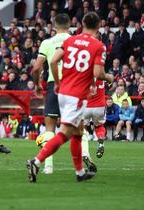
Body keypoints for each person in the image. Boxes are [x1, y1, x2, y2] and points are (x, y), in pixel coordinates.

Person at [26, 12, 114, 183]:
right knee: (65, 133)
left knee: (79, 131)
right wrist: (109, 78)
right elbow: (98, 73)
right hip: (77, 95)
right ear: (98, 26)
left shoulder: (70, 41)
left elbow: (53, 61)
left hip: (63, 90)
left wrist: (57, 82)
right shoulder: (98, 46)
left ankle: (80, 172)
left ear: (82, 23)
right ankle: (36, 162)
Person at [31, 13, 72, 174]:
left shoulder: (47, 42)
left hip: (53, 85)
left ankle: (48, 166)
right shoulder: (75, 41)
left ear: (54, 26)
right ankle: (85, 158)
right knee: (77, 126)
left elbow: (36, 68)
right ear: (69, 25)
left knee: (50, 127)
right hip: (73, 85)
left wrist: (37, 85)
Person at [83, 79, 107, 159]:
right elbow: (110, 82)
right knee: (99, 126)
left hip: (86, 106)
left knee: (83, 128)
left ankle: (84, 151)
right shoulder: (102, 75)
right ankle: (100, 143)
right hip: (99, 106)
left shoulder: (85, 74)